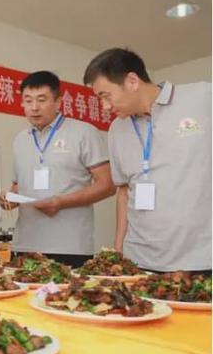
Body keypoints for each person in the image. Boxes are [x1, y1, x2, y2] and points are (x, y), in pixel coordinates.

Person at [85, 48, 211, 273]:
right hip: (140, 262)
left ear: (132, 81)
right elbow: (124, 190)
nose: (104, 106)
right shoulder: (117, 129)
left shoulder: (202, 98)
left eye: (106, 95)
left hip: (200, 260)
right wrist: (119, 250)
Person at [0, 71, 116, 268]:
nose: (34, 107)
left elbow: (108, 185)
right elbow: (19, 187)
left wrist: (60, 202)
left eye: (41, 100)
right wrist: (8, 199)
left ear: (58, 101)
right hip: (26, 245)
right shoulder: (20, 140)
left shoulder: (83, 132)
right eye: (28, 100)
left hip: (69, 246)